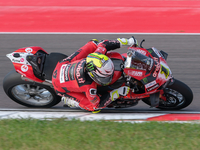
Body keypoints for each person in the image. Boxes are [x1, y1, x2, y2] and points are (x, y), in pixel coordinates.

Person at [51, 37, 138, 112]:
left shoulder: (96, 56)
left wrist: (127, 41)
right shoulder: (89, 87)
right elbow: (97, 105)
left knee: (94, 43)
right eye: (106, 77)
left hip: (63, 65)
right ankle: (69, 101)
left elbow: (104, 44)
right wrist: (117, 92)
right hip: (60, 87)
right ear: (94, 76)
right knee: (93, 108)